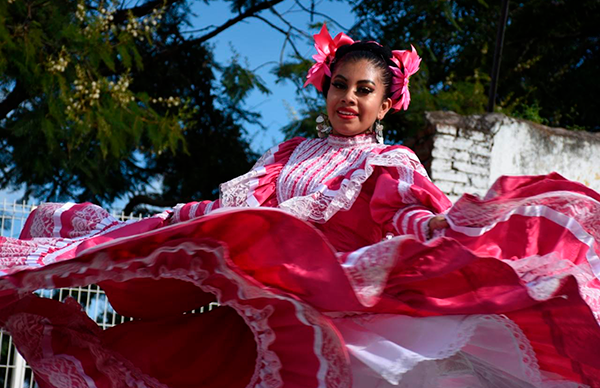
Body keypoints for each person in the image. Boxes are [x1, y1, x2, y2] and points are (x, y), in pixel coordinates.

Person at [0, 24, 599, 388]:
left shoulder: (389, 163)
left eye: (365, 90)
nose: (349, 98)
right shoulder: (288, 152)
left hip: (334, 318)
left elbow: (406, 216)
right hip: (253, 311)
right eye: (341, 85)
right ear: (326, 85)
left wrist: (442, 227)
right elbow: (236, 210)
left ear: (388, 104)